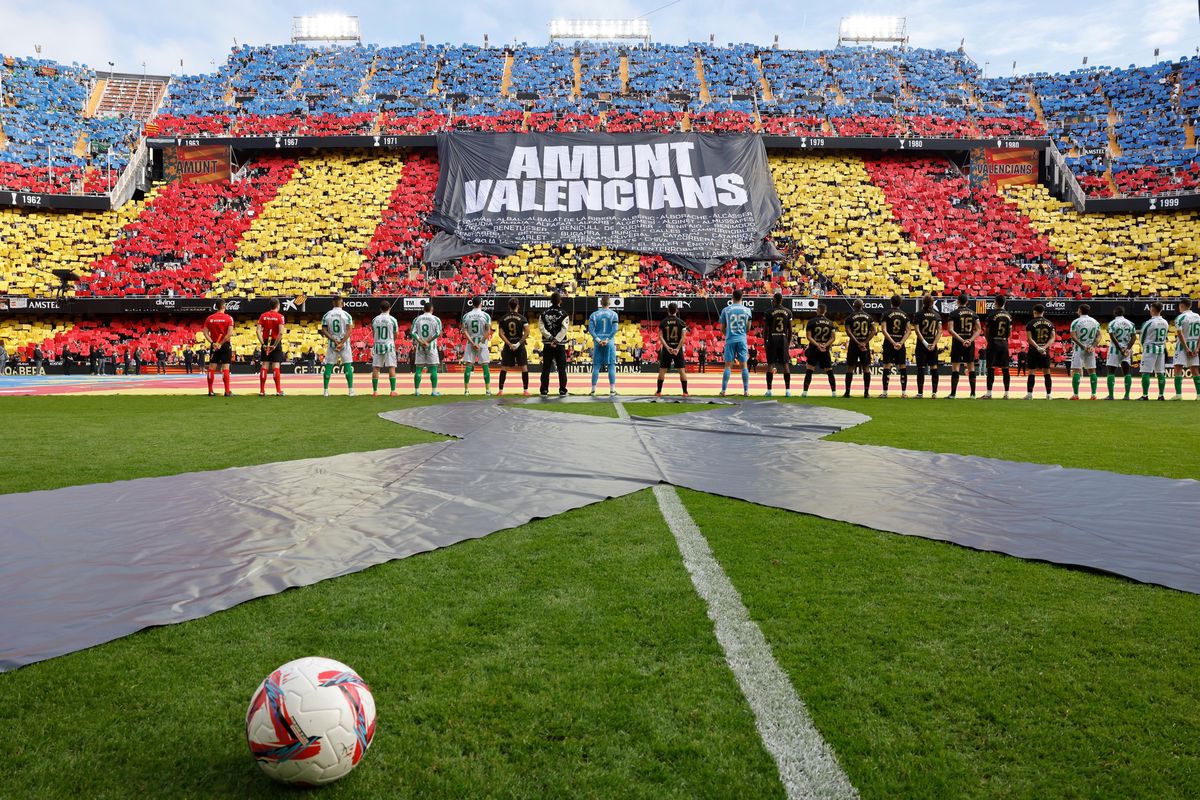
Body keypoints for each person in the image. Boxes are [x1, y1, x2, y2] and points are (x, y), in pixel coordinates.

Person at [718, 290, 752, 397]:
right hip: (742, 339)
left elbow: (722, 328)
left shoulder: (726, 310)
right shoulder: (747, 310)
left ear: (732, 297)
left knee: (728, 366)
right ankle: (746, 391)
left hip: (730, 339)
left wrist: (727, 334)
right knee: (744, 365)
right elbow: (748, 328)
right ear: (742, 297)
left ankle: (723, 391)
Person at [320, 295, 355, 397]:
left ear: (333, 303)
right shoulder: (346, 315)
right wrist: (342, 342)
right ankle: (350, 391)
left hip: (332, 343)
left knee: (329, 366)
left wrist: (334, 340)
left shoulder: (327, 315)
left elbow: (324, 330)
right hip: (345, 343)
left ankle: (325, 391)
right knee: (347, 365)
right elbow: (349, 330)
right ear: (342, 303)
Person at [947, 293, 979, 399]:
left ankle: (953, 394)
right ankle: (973, 394)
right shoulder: (974, 314)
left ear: (957, 301)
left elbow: (950, 329)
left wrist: (961, 340)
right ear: (967, 302)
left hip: (957, 342)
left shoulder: (953, 313)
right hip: (969, 343)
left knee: (955, 367)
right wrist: (969, 340)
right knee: (971, 367)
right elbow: (978, 329)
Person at [538, 292, 570, 396]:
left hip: (547, 344)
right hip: (560, 344)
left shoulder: (544, 313)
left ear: (551, 301)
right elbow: (564, 329)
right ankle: (562, 389)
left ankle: (544, 390)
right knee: (561, 368)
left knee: (546, 368)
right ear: (560, 301)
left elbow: (541, 328)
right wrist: (556, 340)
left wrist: (550, 338)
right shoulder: (564, 313)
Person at [982, 295, 1013, 399]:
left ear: (996, 302)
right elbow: (1010, 332)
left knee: (990, 368)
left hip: (993, 341)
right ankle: (1007, 393)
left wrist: (989, 341)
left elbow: (987, 331)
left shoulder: (992, 315)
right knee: (1005, 369)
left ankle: (989, 393)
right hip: (1004, 342)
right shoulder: (1008, 315)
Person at [802, 304, 837, 397]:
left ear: (817, 310)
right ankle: (834, 393)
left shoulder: (811, 322)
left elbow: (808, 337)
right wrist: (824, 345)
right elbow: (833, 338)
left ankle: (805, 392)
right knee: (829, 371)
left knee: (809, 370)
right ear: (825, 311)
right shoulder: (830, 323)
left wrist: (817, 345)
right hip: (825, 349)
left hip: (814, 348)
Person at [879, 294, 910, 398]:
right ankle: (904, 393)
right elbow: (908, 331)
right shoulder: (905, 315)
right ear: (900, 303)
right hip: (900, 344)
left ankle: (885, 392)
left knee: (886, 366)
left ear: (891, 302)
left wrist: (893, 342)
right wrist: (900, 342)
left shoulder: (886, 313)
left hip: (889, 344)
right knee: (902, 366)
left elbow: (884, 330)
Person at [497, 298, 530, 396]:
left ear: (509, 306)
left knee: (504, 368)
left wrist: (509, 344)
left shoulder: (503, 319)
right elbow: (527, 332)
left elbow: (500, 333)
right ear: (518, 306)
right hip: (519, 346)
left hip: (508, 346)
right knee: (524, 367)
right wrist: (518, 343)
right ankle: (525, 390)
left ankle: (500, 390)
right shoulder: (522, 318)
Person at [461, 297, 493, 396]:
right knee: (485, 366)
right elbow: (488, 331)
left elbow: (464, 331)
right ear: (481, 303)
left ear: (472, 304)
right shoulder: (486, 315)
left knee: (469, 365)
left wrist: (472, 342)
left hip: (471, 343)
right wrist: (479, 343)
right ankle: (487, 390)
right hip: (482, 344)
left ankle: (466, 390)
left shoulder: (466, 316)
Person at [588, 296, 620, 396]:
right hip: (609, 342)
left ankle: (593, 391)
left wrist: (598, 340)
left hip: (598, 342)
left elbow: (591, 330)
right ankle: (612, 391)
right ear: (609, 303)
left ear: (600, 303)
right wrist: (607, 339)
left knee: (596, 366)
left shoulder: (594, 315)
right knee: (611, 366)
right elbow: (614, 329)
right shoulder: (614, 314)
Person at [1068, 303, 1101, 400]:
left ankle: (1076, 395)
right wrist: (1093, 346)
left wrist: (1083, 346)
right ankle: (1093, 394)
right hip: (1090, 348)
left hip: (1079, 348)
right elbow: (1099, 336)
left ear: (1080, 310)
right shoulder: (1095, 322)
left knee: (1076, 370)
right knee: (1092, 371)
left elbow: (1073, 336)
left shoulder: (1076, 322)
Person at [655, 302, 689, 397]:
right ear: (677, 310)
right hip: (677, 349)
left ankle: (658, 392)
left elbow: (660, 337)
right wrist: (677, 348)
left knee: (662, 371)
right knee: (682, 371)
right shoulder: (682, 323)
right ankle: (685, 392)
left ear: (668, 310)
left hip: (667, 349)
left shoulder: (663, 322)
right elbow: (683, 338)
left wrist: (667, 347)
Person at [843, 299, 875, 398]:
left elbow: (848, 332)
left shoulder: (849, 317)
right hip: (865, 345)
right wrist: (864, 342)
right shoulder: (869, 317)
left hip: (854, 345)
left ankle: (847, 392)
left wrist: (857, 343)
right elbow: (874, 331)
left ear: (854, 306)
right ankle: (866, 392)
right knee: (866, 368)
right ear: (862, 306)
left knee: (850, 368)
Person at [763, 292, 793, 397]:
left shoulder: (768, 312)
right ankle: (788, 391)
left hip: (772, 338)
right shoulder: (788, 312)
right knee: (785, 364)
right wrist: (787, 343)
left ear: (774, 300)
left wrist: (765, 342)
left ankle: (769, 390)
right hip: (783, 338)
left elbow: (765, 330)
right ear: (782, 300)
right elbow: (790, 330)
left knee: (770, 364)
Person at [203, 299, 235, 397]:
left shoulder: (209, 318)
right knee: (225, 367)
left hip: (214, 345)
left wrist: (213, 343)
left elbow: (205, 333)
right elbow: (229, 334)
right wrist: (221, 343)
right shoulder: (229, 318)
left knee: (211, 368)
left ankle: (210, 391)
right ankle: (227, 391)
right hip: (224, 345)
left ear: (216, 306)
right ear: (224, 306)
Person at [1139, 302, 1170, 401]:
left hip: (1149, 348)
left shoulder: (1149, 322)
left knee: (1145, 372)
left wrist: (1143, 345)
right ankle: (1161, 395)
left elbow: (1142, 337)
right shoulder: (1165, 322)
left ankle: (1145, 395)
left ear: (1152, 310)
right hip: (1161, 348)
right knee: (1160, 372)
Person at [411, 301, 443, 397]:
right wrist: (428, 342)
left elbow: (413, 332)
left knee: (419, 369)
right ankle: (433, 391)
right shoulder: (436, 319)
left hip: (420, 346)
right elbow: (437, 333)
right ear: (432, 309)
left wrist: (421, 341)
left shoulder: (417, 319)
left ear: (423, 309)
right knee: (433, 369)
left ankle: (417, 391)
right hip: (431, 346)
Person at [914, 295, 943, 398]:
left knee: (921, 368)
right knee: (934, 368)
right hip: (933, 343)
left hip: (922, 344)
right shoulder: (937, 315)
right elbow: (939, 331)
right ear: (932, 303)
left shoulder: (918, 314)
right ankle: (934, 393)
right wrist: (934, 343)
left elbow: (917, 330)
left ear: (923, 303)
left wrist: (925, 343)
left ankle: (920, 393)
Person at [1024, 304, 1056, 400]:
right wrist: (1044, 347)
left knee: (1032, 372)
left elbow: (1029, 339)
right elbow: (1053, 338)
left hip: (1034, 350)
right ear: (1043, 312)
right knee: (1047, 372)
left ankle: (1029, 395)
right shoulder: (1050, 323)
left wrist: (1038, 347)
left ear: (1034, 312)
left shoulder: (1030, 323)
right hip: (1045, 351)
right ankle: (1049, 395)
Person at [1104, 306, 1137, 400]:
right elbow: (1134, 337)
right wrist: (1127, 349)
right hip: (1126, 349)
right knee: (1127, 372)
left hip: (1115, 349)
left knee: (1111, 372)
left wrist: (1119, 348)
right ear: (1123, 313)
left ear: (1115, 313)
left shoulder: (1112, 323)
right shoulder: (1130, 323)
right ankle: (1127, 395)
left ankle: (1111, 395)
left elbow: (1112, 336)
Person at [1171, 297, 1200, 400]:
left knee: (1178, 368)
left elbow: (1180, 334)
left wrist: (1186, 348)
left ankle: (1178, 395)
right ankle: (1198, 395)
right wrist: (1197, 348)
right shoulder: (1198, 316)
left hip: (1183, 346)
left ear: (1182, 305)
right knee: (1194, 369)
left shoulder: (1180, 318)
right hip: (1194, 344)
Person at [370, 300, 400, 397]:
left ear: (380, 309)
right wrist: (392, 341)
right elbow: (396, 334)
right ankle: (393, 391)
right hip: (389, 345)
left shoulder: (375, 320)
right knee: (391, 367)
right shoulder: (393, 320)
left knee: (376, 368)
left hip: (378, 344)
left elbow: (374, 334)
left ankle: (375, 391)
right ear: (389, 308)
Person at [257, 298, 287, 397]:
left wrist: (263, 344)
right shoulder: (280, 317)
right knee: (276, 367)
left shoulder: (263, 316)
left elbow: (258, 331)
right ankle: (278, 391)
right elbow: (281, 332)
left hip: (265, 341)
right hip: (275, 342)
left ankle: (262, 390)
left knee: (264, 366)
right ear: (278, 305)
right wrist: (275, 345)